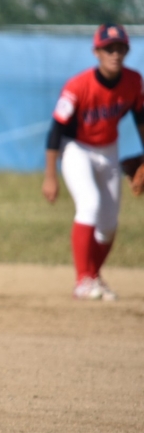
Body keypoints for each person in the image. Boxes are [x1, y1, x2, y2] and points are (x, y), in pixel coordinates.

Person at [42, 23, 144, 301]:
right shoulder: (78, 86)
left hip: (108, 149)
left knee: (109, 224)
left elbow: (141, 118)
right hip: (77, 148)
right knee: (90, 204)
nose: (115, 54)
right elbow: (55, 130)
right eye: (108, 49)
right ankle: (82, 280)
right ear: (96, 52)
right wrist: (50, 176)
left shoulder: (134, 81)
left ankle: (92, 278)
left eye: (120, 48)